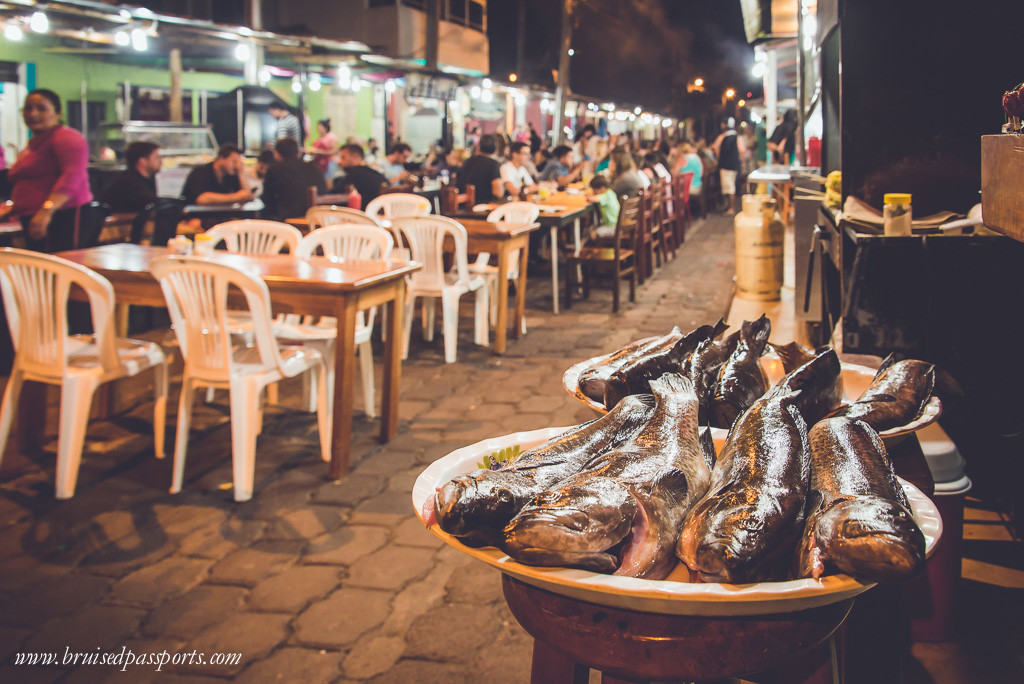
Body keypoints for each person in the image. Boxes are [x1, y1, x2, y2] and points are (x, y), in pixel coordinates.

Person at [0, 89, 94, 252]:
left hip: (62, 216)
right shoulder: (34, 143)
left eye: (41, 108)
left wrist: (46, 211)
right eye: (28, 108)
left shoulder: (66, 137)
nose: (33, 113)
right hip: (34, 217)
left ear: (57, 113)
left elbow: (71, 177)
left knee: (58, 270)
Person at [261, 137, 326, 221]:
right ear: (298, 153)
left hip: (290, 220)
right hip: (317, 218)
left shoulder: (274, 169)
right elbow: (323, 191)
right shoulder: (313, 167)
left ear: (276, 154)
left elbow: (267, 199)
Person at [180, 143, 254, 206]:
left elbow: (246, 196)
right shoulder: (201, 172)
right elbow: (202, 199)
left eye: (239, 162)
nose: (236, 166)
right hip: (197, 215)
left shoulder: (231, 174)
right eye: (234, 162)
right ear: (221, 158)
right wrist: (236, 197)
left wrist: (241, 172)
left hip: (222, 216)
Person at [99, 140, 161, 212]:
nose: (160, 161)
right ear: (142, 161)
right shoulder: (128, 181)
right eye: (157, 157)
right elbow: (152, 202)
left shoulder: (147, 178)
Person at [331, 143, 387, 211]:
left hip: (364, 217)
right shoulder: (373, 173)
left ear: (355, 157)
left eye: (343, 157)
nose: (339, 162)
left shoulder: (355, 173)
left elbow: (332, 196)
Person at [712, 117, 747, 214]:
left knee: (728, 187)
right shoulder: (737, 137)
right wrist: (742, 162)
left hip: (725, 165)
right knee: (732, 185)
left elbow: (714, 147)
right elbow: (742, 150)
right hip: (735, 164)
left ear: (724, 125)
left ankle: (731, 208)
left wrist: (718, 157)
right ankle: (730, 207)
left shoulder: (722, 137)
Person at [458, 133, 504, 203]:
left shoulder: (467, 162)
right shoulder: (494, 164)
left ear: (479, 147)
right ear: (496, 149)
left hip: (463, 205)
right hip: (483, 207)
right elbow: (498, 193)